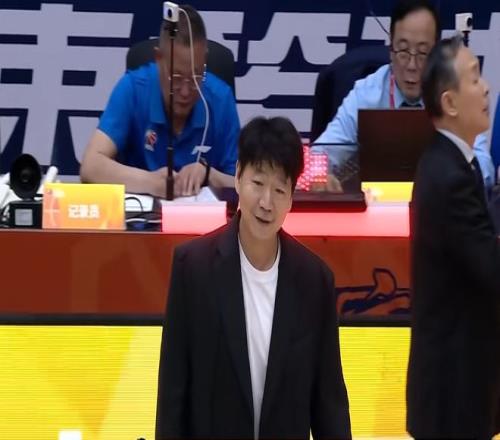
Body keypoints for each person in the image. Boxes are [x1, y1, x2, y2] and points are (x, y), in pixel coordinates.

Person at [155, 116, 351, 439]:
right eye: (257, 183)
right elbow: (173, 396)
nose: (266, 203)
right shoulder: (193, 268)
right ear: (237, 177)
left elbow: (329, 402)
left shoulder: (314, 281)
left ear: (291, 198)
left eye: (279, 190)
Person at [407, 35, 500, 439]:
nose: (486, 88)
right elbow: (490, 269)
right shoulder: (449, 178)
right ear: (450, 102)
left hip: (460, 386)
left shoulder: (453, 164)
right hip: (453, 394)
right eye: (475, 78)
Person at [312, 0, 494, 190]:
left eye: (423, 53)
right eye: (403, 51)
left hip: (442, 201)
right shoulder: (366, 94)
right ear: (391, 50)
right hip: (377, 204)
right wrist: (319, 176)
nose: (412, 66)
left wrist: (454, 179)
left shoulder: (455, 95)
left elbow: (485, 169)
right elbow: (320, 154)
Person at [80, 5, 239, 197]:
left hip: (203, 215)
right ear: (158, 59)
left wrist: (209, 174)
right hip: (142, 213)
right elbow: (90, 166)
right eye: (176, 77)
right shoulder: (133, 89)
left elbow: (243, 184)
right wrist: (151, 182)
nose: (186, 91)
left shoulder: (221, 99)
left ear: (204, 60)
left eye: (196, 76)